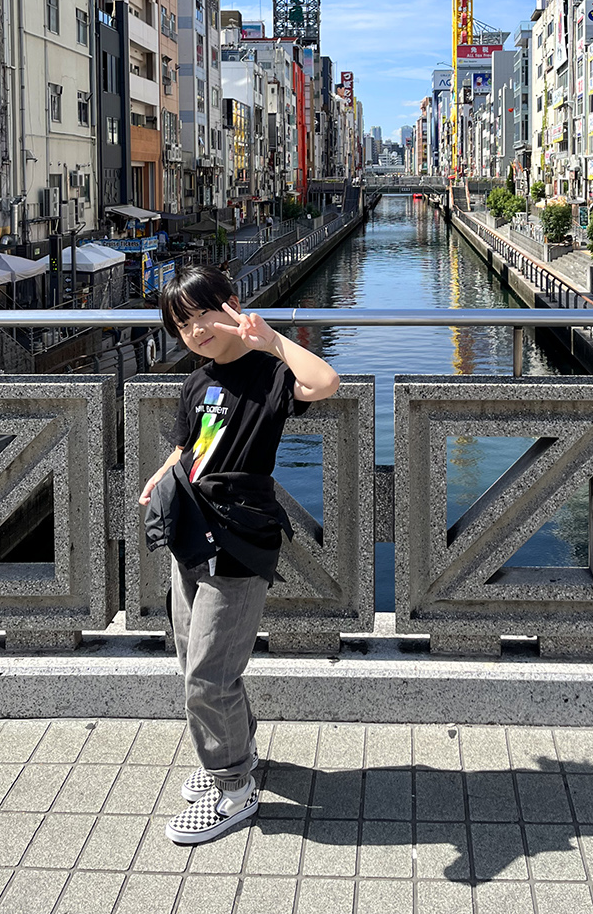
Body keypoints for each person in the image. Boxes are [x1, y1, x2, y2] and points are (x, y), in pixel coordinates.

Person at [139, 265, 339, 847]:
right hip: (191, 530)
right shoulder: (196, 382)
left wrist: (271, 339)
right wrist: (162, 474)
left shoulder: (269, 374)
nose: (196, 330)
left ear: (231, 305)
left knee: (208, 673)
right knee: (193, 660)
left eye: (203, 313)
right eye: (182, 324)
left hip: (240, 536)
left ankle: (234, 787)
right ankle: (236, 751)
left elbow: (325, 382)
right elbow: (189, 446)